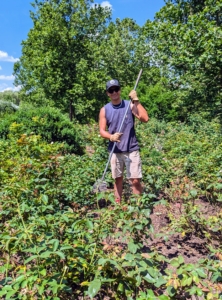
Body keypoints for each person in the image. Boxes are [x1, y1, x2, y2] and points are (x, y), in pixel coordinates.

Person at [99, 78, 149, 203]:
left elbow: (145, 118)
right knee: (118, 179)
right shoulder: (104, 110)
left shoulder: (129, 105)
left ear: (120, 90)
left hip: (131, 148)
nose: (114, 92)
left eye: (116, 89)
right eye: (111, 90)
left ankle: (138, 207)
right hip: (115, 150)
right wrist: (110, 136)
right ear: (108, 93)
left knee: (135, 180)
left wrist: (136, 101)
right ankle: (118, 206)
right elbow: (101, 131)